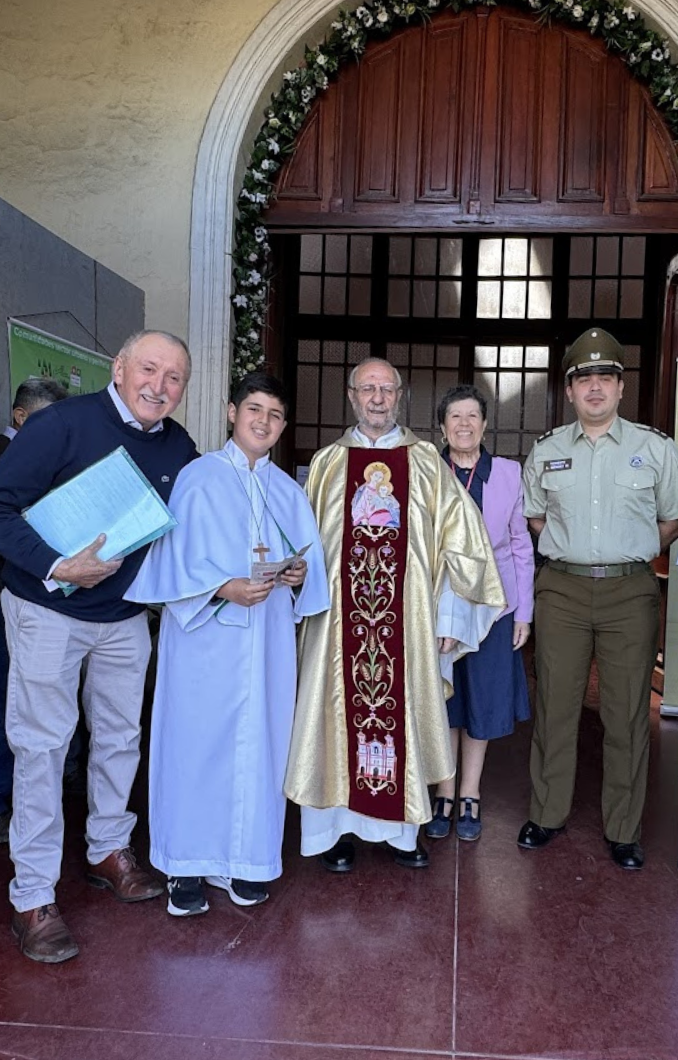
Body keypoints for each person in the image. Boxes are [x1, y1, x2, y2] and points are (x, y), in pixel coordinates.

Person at [0, 330, 197, 963]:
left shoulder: (179, 446)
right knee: (42, 748)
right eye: (148, 369)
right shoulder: (60, 425)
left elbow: (195, 526)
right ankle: (33, 895)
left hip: (125, 617)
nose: (158, 387)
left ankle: (107, 850)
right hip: (47, 609)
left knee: (119, 737)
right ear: (118, 368)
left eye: (173, 378)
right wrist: (58, 565)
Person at [284, 357, 506, 873]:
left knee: (399, 713)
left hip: (405, 623)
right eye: (368, 389)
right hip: (337, 624)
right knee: (331, 714)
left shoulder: (424, 461)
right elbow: (301, 543)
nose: (378, 398)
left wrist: (451, 618)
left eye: (387, 389)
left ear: (400, 396)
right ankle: (332, 833)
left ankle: (401, 833)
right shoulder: (328, 463)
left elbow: (460, 541)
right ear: (352, 396)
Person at [126, 373, 329, 916]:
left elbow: (309, 568)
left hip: (266, 642)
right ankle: (185, 866)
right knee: (196, 744)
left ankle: (246, 861)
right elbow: (171, 563)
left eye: (275, 415)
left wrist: (297, 575)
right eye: (254, 409)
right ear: (231, 412)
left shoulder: (288, 490)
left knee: (259, 746)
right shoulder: (198, 478)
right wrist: (223, 587)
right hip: (206, 640)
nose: (264, 422)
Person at [518, 327, 678, 870]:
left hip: (629, 592)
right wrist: (577, 554)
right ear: (568, 390)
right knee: (555, 704)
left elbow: (670, 520)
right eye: (583, 378)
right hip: (562, 589)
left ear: (620, 386)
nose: (594, 387)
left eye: (605, 377)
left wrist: (625, 551)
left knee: (627, 712)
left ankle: (623, 829)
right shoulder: (547, 450)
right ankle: (547, 813)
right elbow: (535, 517)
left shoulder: (655, 449)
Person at [425, 385, 533, 842]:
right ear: (442, 426)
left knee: (483, 702)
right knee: (446, 700)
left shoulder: (508, 473)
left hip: (494, 608)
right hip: (439, 608)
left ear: (485, 425)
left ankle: (470, 792)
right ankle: (444, 791)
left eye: (473, 416)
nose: (464, 424)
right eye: (455, 416)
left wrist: (524, 612)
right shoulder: (428, 471)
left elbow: (521, 545)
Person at [0, 378, 69, 844]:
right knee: (22, 714)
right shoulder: (8, 455)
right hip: (22, 591)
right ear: (21, 417)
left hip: (56, 595)